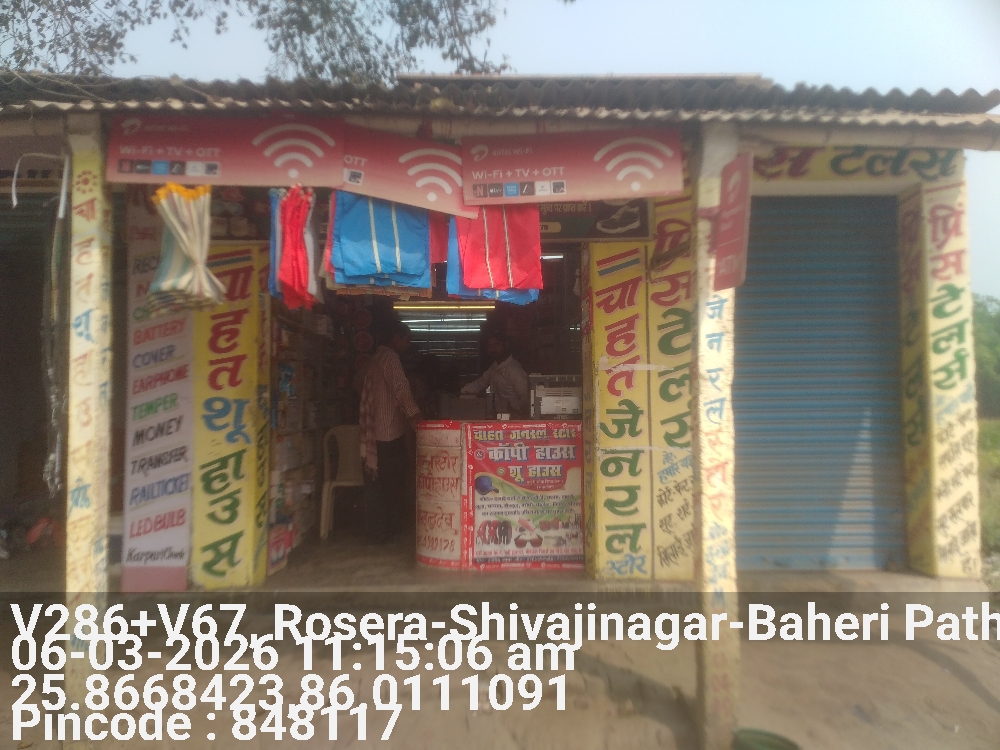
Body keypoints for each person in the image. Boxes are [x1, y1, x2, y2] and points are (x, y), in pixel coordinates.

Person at [359, 321, 421, 545]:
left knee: (378, 486)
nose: (408, 345)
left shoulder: (376, 358)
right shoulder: (390, 358)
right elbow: (401, 389)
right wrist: (415, 416)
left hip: (376, 433)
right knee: (393, 484)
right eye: (406, 340)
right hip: (389, 434)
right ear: (396, 338)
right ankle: (391, 530)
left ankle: (378, 532)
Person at [461, 332, 530, 418]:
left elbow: (527, 400)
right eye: (489, 346)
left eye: (497, 344)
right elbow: (479, 384)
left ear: (506, 344)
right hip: (498, 418)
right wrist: (461, 393)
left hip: (515, 420)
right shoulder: (494, 367)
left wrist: (513, 407)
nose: (493, 349)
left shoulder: (514, 370)